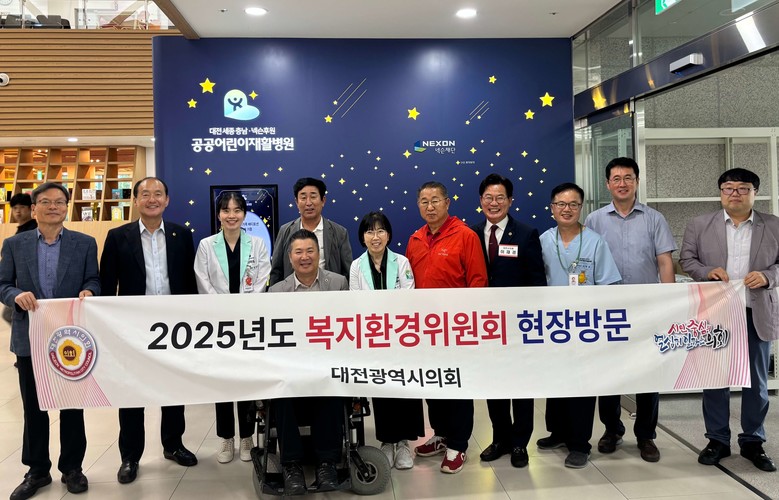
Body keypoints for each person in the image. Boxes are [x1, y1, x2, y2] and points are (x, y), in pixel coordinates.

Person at [0, 182, 99, 500]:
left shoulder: (85, 243)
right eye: (45, 202)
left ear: (67, 207)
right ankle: (37, 471)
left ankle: (72, 468)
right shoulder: (14, 244)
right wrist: (16, 295)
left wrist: (90, 291)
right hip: (30, 337)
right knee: (34, 407)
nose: (53, 206)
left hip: (71, 338)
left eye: (59, 202)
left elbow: (93, 279)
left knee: (72, 405)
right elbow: (3, 284)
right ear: (34, 208)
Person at [99, 177, 199, 484]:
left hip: (174, 325)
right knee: (131, 390)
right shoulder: (118, 236)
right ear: (135, 200)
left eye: (158, 194)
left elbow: (190, 282)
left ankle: (173, 444)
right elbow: (106, 285)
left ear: (167, 200)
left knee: (173, 387)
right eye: (145, 194)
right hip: (132, 327)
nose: (152, 199)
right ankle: (130, 456)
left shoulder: (181, 235)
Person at [680, 168, 777, 473]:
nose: (735, 194)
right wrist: (706, 271)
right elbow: (687, 259)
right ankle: (717, 440)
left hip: (754, 312)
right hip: (716, 314)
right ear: (720, 192)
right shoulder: (699, 224)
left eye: (743, 188)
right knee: (715, 379)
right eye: (728, 188)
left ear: (754, 193)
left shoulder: (774, 225)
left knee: (756, 382)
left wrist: (768, 276)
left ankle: (753, 441)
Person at [584, 157, 676, 463]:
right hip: (607, 310)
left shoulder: (654, 219)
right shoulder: (595, 220)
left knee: (648, 372)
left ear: (636, 181)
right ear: (607, 184)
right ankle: (612, 429)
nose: (622, 183)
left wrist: (669, 301)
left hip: (646, 309)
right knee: (609, 373)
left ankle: (646, 435)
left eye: (628, 178)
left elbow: (664, 261)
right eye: (616, 178)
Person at [536, 182, 621, 469]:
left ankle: (579, 443)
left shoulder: (595, 242)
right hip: (553, 325)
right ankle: (558, 433)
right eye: (561, 204)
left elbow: (609, 285)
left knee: (582, 384)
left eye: (573, 204)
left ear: (581, 208)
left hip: (585, 326)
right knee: (556, 381)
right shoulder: (543, 240)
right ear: (552, 208)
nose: (567, 209)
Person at [405, 181, 488, 474]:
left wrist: (468, 323)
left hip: (456, 328)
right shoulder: (415, 239)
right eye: (424, 201)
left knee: (457, 386)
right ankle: (440, 434)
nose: (430, 206)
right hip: (425, 330)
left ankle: (458, 444)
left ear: (447, 203)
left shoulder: (465, 236)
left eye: (435, 200)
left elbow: (478, 282)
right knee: (433, 383)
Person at [469, 173, 547, 468]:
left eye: (500, 197)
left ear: (510, 201)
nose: (494, 203)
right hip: (485, 326)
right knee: (494, 385)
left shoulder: (526, 234)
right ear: (481, 201)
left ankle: (519, 443)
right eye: (488, 197)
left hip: (517, 326)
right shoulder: (471, 234)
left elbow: (537, 282)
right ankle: (500, 438)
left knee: (521, 386)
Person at [268, 229, 349, 494]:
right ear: (289, 257)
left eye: (310, 251)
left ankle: (327, 463)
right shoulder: (276, 291)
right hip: (291, 366)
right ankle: (291, 465)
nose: (305, 257)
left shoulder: (338, 283)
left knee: (332, 382)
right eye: (299, 252)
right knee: (280, 388)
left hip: (326, 362)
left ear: (319, 253)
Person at [194, 191, 271, 464]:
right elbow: (203, 280)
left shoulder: (257, 244)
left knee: (246, 378)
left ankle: (247, 436)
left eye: (237, 210)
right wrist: (224, 309)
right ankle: (226, 437)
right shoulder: (206, 245)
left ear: (244, 214)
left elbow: (263, 277)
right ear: (218, 215)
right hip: (220, 323)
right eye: (226, 210)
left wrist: (244, 308)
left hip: (248, 321)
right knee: (223, 380)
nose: (231, 215)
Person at [349, 211, 422, 470]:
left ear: (388, 235)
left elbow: (408, 297)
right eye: (370, 231)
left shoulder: (401, 262)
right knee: (383, 390)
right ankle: (387, 442)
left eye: (380, 231)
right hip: (375, 338)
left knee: (404, 388)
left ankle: (403, 443)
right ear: (363, 237)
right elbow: (356, 302)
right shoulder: (356, 266)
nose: (375, 236)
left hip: (401, 336)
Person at [269, 177, 352, 285]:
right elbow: (276, 271)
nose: (308, 203)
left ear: (323, 200)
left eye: (313, 197)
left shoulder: (339, 232)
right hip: (292, 292)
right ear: (296, 202)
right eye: (303, 198)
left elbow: (347, 272)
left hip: (329, 292)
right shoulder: (285, 231)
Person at [3, 194, 38, 326]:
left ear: (31, 209)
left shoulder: (33, 230)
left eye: (22, 207)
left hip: (28, 282)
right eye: (15, 208)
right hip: (20, 282)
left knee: (10, 314)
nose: (18, 211)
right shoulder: (21, 230)